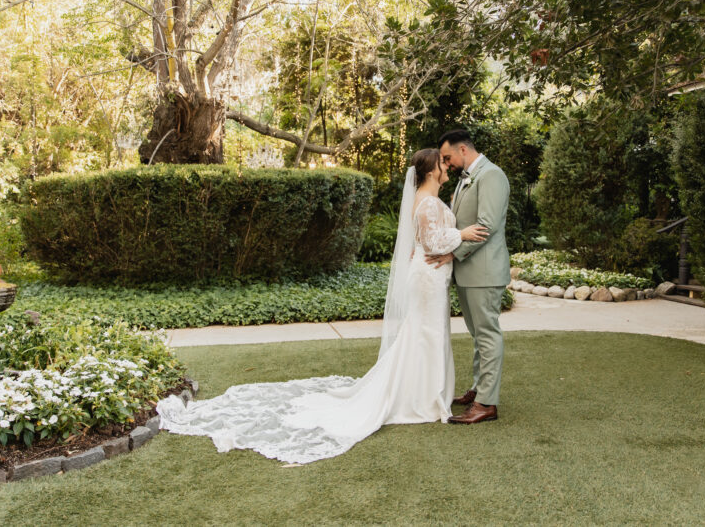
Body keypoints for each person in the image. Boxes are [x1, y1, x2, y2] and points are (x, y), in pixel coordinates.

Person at [156, 148, 487, 464]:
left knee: (425, 334)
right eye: (442, 164)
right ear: (431, 170)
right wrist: (463, 234)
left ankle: (425, 395)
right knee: (425, 335)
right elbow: (431, 242)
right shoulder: (428, 203)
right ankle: (422, 399)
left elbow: (423, 242)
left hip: (430, 278)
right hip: (428, 280)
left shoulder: (427, 199)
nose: (447, 166)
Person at [428, 129, 510, 424]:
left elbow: (486, 226)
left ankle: (487, 403)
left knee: (487, 335)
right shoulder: (467, 179)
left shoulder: (492, 176)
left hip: (484, 271)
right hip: (469, 272)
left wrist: (454, 253)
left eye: (448, 157)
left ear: (463, 149)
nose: (446, 164)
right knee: (478, 336)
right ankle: (478, 389)